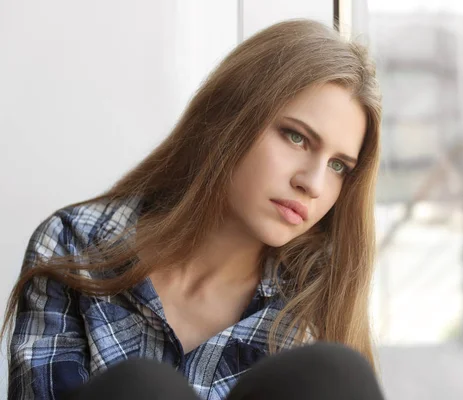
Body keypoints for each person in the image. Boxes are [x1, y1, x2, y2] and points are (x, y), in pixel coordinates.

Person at [2, 19, 383, 400]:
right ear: (231, 116)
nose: (313, 184)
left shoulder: (317, 299)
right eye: (296, 137)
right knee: (143, 390)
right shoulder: (77, 244)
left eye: (338, 166)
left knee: (336, 373)